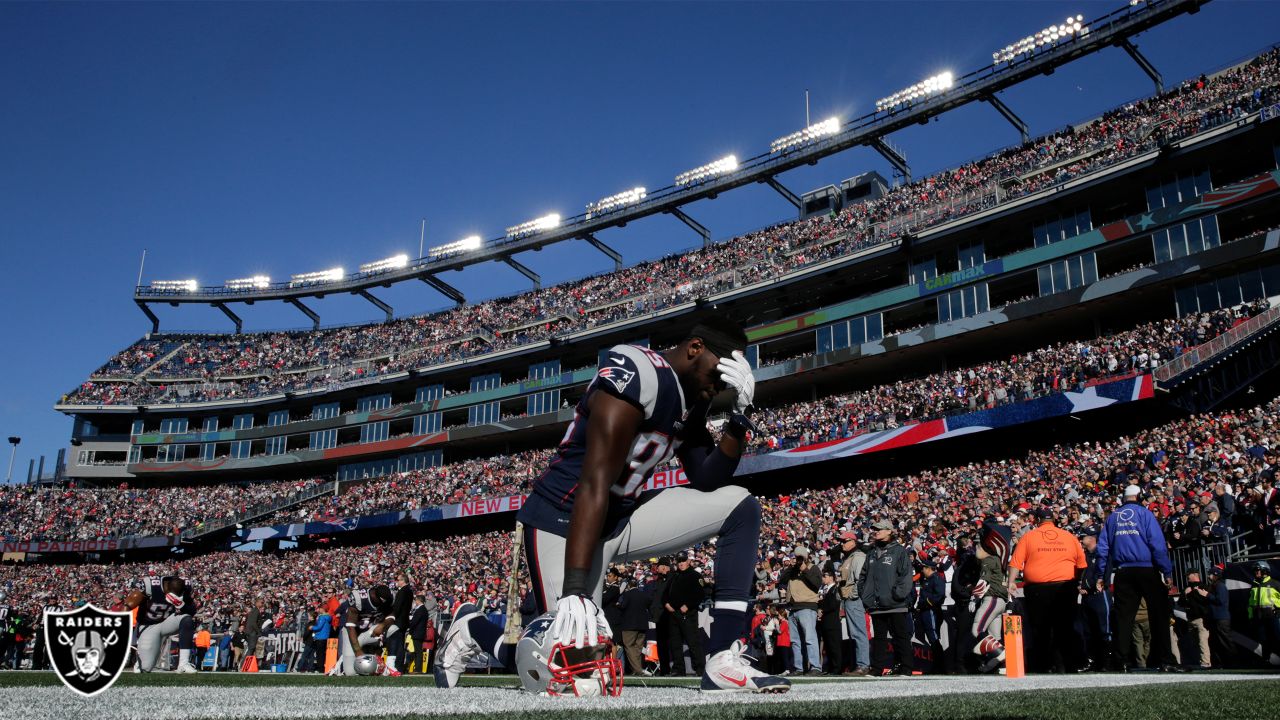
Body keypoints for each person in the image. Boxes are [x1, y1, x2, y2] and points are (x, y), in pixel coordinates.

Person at [434, 315, 790, 694]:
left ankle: (722, 660)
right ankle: (474, 630)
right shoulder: (638, 370)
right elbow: (595, 482)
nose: (717, 388)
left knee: (740, 507)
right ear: (695, 349)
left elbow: (707, 478)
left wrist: (738, 417)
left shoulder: (692, 399)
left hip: (622, 519)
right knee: (574, 669)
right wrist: (575, 590)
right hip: (565, 520)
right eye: (718, 377)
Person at [1098, 484, 1180, 672]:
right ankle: (1165, 660)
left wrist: (1101, 574)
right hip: (1146, 569)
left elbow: (1103, 549)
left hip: (1123, 572)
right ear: (1140, 496)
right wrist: (1166, 571)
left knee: (1123, 618)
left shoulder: (1112, 518)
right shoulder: (1145, 515)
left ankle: (1121, 662)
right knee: (1159, 615)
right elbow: (1157, 545)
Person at [1008, 507, 1087, 673]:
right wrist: (1077, 581)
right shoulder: (1068, 537)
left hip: (1038, 589)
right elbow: (1082, 564)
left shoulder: (1029, 537)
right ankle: (1066, 665)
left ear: (1037, 520)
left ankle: (1044, 665)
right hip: (1065, 586)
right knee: (1064, 627)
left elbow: (1015, 562)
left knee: (1041, 628)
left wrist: (1011, 582)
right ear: (1054, 520)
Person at [859, 519, 914, 676]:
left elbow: (905, 576)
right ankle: (877, 669)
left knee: (900, 637)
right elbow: (863, 577)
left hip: (895, 603)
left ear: (890, 531)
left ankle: (906, 668)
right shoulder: (871, 553)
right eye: (875, 529)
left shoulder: (899, 551)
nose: (876, 531)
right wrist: (865, 595)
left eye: (880, 529)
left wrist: (898, 595)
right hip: (876, 604)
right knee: (879, 639)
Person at [124, 575, 199, 673]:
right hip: (148, 626)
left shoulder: (183, 588)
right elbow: (127, 606)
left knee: (187, 619)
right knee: (145, 668)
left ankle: (183, 664)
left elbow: (192, 611)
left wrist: (181, 605)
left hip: (166, 623)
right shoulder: (151, 586)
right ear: (167, 588)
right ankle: (140, 662)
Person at [972, 519, 1011, 673]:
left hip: (992, 598)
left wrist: (974, 598)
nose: (976, 547)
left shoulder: (989, 559)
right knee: (995, 636)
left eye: (978, 544)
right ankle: (1003, 666)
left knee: (977, 630)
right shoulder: (999, 561)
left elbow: (984, 580)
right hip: (1000, 601)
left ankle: (1002, 654)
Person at [835, 530, 870, 676]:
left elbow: (860, 580)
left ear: (853, 542)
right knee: (853, 633)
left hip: (854, 599)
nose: (842, 544)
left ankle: (863, 665)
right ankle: (858, 664)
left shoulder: (858, 556)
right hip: (848, 599)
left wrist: (853, 595)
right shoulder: (848, 557)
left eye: (844, 541)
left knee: (858, 633)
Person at [663, 553, 705, 676]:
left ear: (688, 561)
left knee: (693, 642)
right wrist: (666, 603)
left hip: (688, 614)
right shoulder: (674, 576)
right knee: (675, 643)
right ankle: (678, 669)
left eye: (683, 561)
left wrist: (688, 605)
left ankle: (700, 669)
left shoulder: (695, 575)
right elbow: (665, 593)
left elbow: (700, 594)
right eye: (679, 561)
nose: (681, 564)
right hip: (673, 613)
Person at [781, 547, 821, 675]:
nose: (797, 560)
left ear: (805, 557)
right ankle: (799, 668)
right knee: (795, 641)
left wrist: (805, 570)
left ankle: (815, 667)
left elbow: (816, 584)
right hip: (793, 608)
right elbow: (782, 580)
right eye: (795, 557)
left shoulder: (813, 568)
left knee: (810, 639)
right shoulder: (792, 570)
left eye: (799, 557)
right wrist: (791, 567)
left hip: (807, 606)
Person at [615, 577, 653, 675]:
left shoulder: (627, 594)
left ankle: (638, 670)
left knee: (629, 647)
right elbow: (649, 602)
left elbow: (623, 606)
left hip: (629, 625)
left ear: (628, 586)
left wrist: (618, 605)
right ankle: (637, 668)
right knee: (638, 647)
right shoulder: (644, 594)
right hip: (642, 625)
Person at [1246, 560, 1280, 661]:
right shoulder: (1254, 585)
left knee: (1277, 638)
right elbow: (1250, 603)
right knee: (1263, 639)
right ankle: (1266, 660)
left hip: (1273, 616)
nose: (1256, 572)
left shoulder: (1275, 584)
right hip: (1259, 616)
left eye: (1258, 570)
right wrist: (1251, 616)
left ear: (1265, 571)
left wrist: (1278, 610)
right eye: (1255, 571)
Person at [916, 562, 946, 673]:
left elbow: (939, 595)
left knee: (934, 637)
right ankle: (936, 665)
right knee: (931, 637)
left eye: (923, 568)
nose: (922, 570)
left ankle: (940, 666)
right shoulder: (927, 580)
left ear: (929, 568)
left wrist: (927, 603)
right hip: (925, 611)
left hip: (931, 611)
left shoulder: (936, 578)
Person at [1181, 572, 1212, 669]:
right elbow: (1181, 603)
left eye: (1188, 575)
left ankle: (1206, 663)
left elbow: (1207, 600)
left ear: (1195, 575)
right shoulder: (1187, 588)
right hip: (1190, 619)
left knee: (1203, 641)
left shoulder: (1204, 586)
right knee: (1194, 642)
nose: (1187, 577)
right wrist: (1186, 594)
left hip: (1201, 619)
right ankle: (1197, 662)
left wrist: (1195, 592)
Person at [649, 557, 674, 676]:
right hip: (659, 617)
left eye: (658, 565)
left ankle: (677, 668)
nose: (656, 567)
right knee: (662, 644)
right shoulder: (659, 580)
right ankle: (664, 669)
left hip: (669, 616)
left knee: (673, 643)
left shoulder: (672, 578)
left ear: (664, 566)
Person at [1206, 566, 1233, 668]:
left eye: (1210, 574)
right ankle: (1218, 663)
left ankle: (1231, 662)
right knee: (1215, 642)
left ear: (1215, 575)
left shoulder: (1220, 586)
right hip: (1215, 618)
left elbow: (1220, 600)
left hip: (1221, 619)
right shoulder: (1214, 586)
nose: (1209, 576)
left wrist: (1207, 595)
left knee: (1225, 641)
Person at [817, 567, 842, 674]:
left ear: (831, 577)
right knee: (828, 647)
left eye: (825, 576)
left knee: (834, 646)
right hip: (826, 622)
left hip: (832, 622)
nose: (823, 578)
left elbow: (833, 604)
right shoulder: (825, 589)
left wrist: (821, 606)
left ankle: (837, 668)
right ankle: (831, 667)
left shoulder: (835, 589)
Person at [311, 605, 332, 674]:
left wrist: (312, 627)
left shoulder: (322, 617)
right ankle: (322, 667)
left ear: (322, 609)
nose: (318, 610)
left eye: (319, 608)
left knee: (319, 654)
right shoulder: (328, 617)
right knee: (322, 653)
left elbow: (319, 627)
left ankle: (320, 668)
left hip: (320, 637)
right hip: (325, 637)